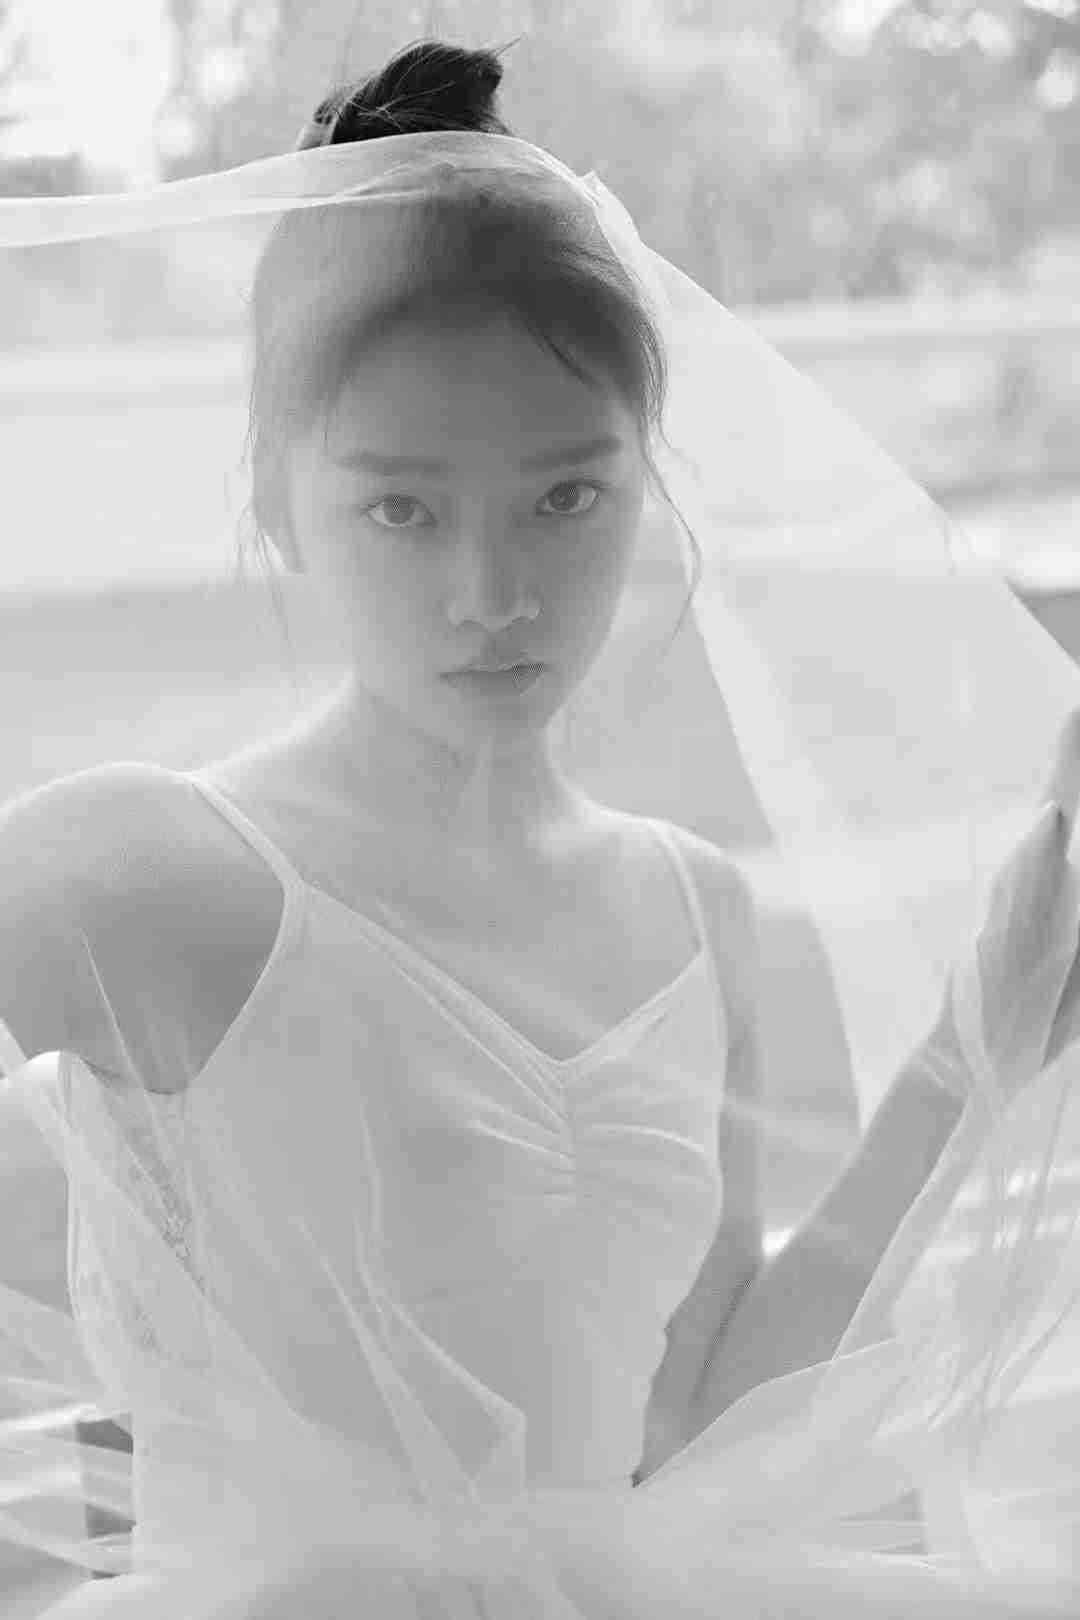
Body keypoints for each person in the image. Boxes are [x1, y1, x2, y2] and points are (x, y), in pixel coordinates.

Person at [1, 35, 1080, 1620]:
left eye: (566, 498)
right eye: (402, 508)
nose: (492, 594)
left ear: (644, 484)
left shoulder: (694, 906)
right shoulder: (148, 873)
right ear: (279, 502)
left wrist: (970, 1053)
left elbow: (695, 1423)